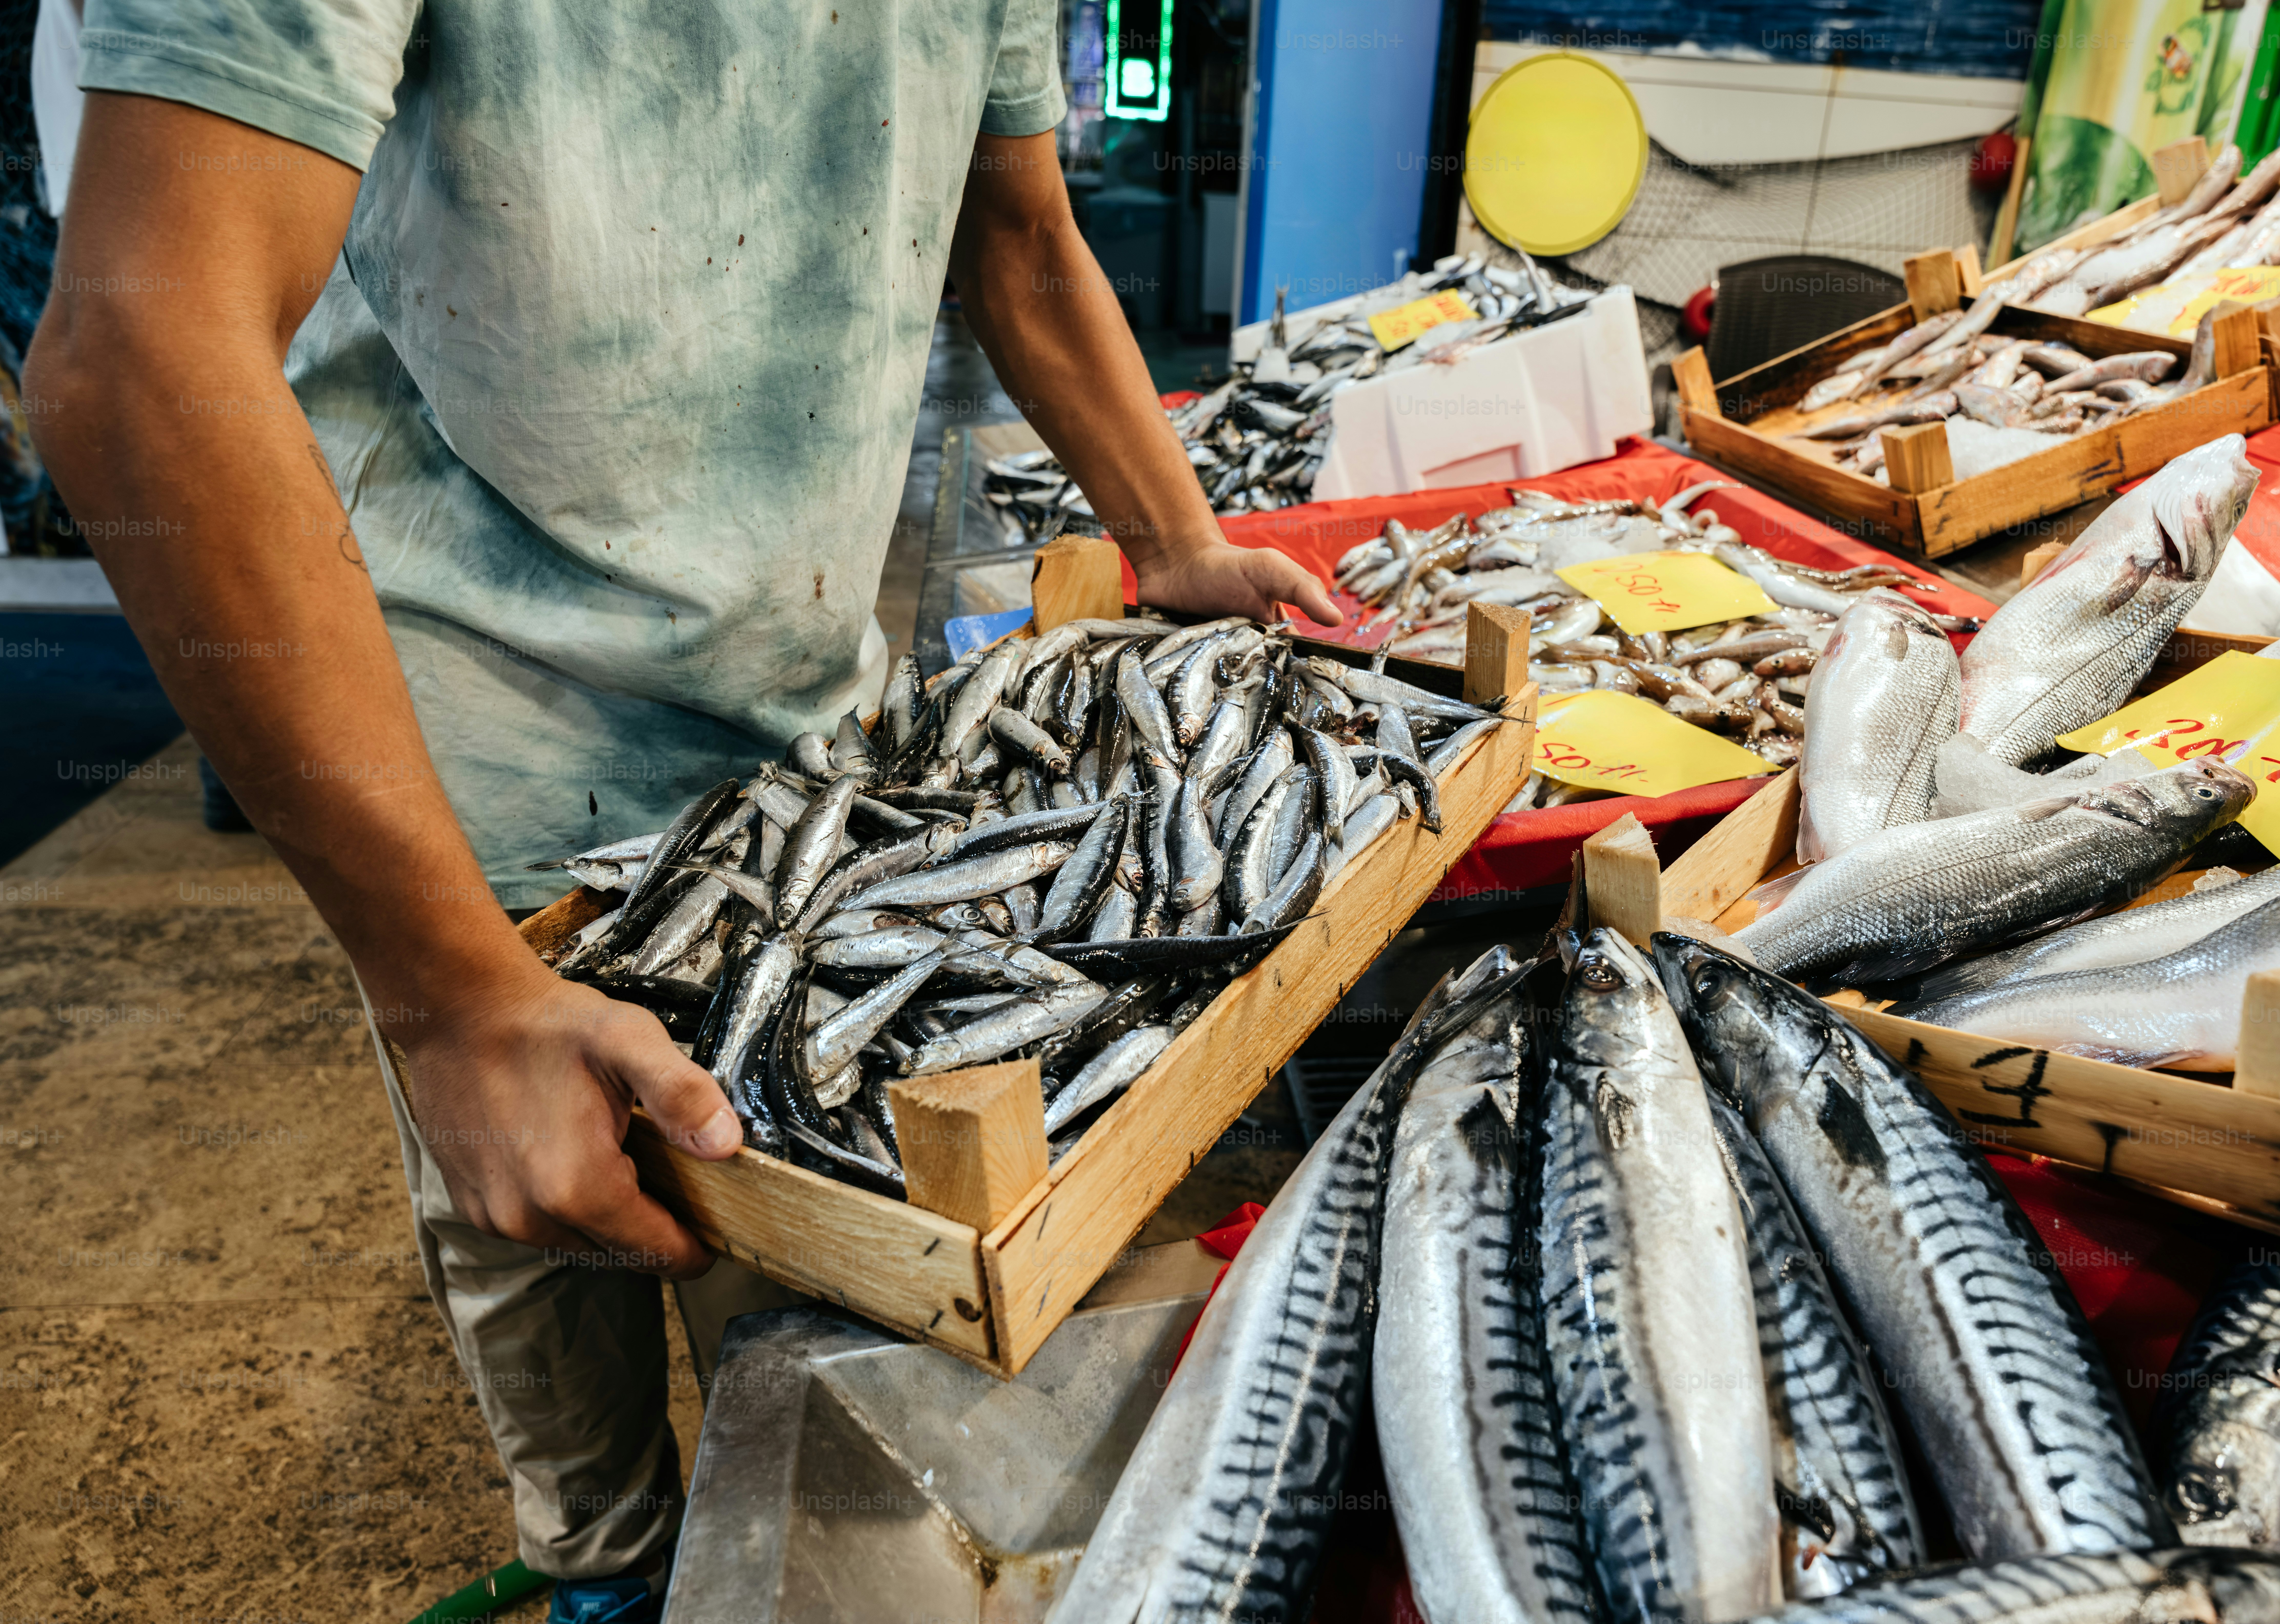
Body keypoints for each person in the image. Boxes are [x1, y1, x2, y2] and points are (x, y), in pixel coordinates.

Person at [26, 4, 1341, 1619]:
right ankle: (607, 1567)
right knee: (553, 1285)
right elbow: (142, 352)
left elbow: (1025, 235)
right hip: (480, 777)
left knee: (806, 1315)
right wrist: (450, 998)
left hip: (809, 746)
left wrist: (1176, 538)